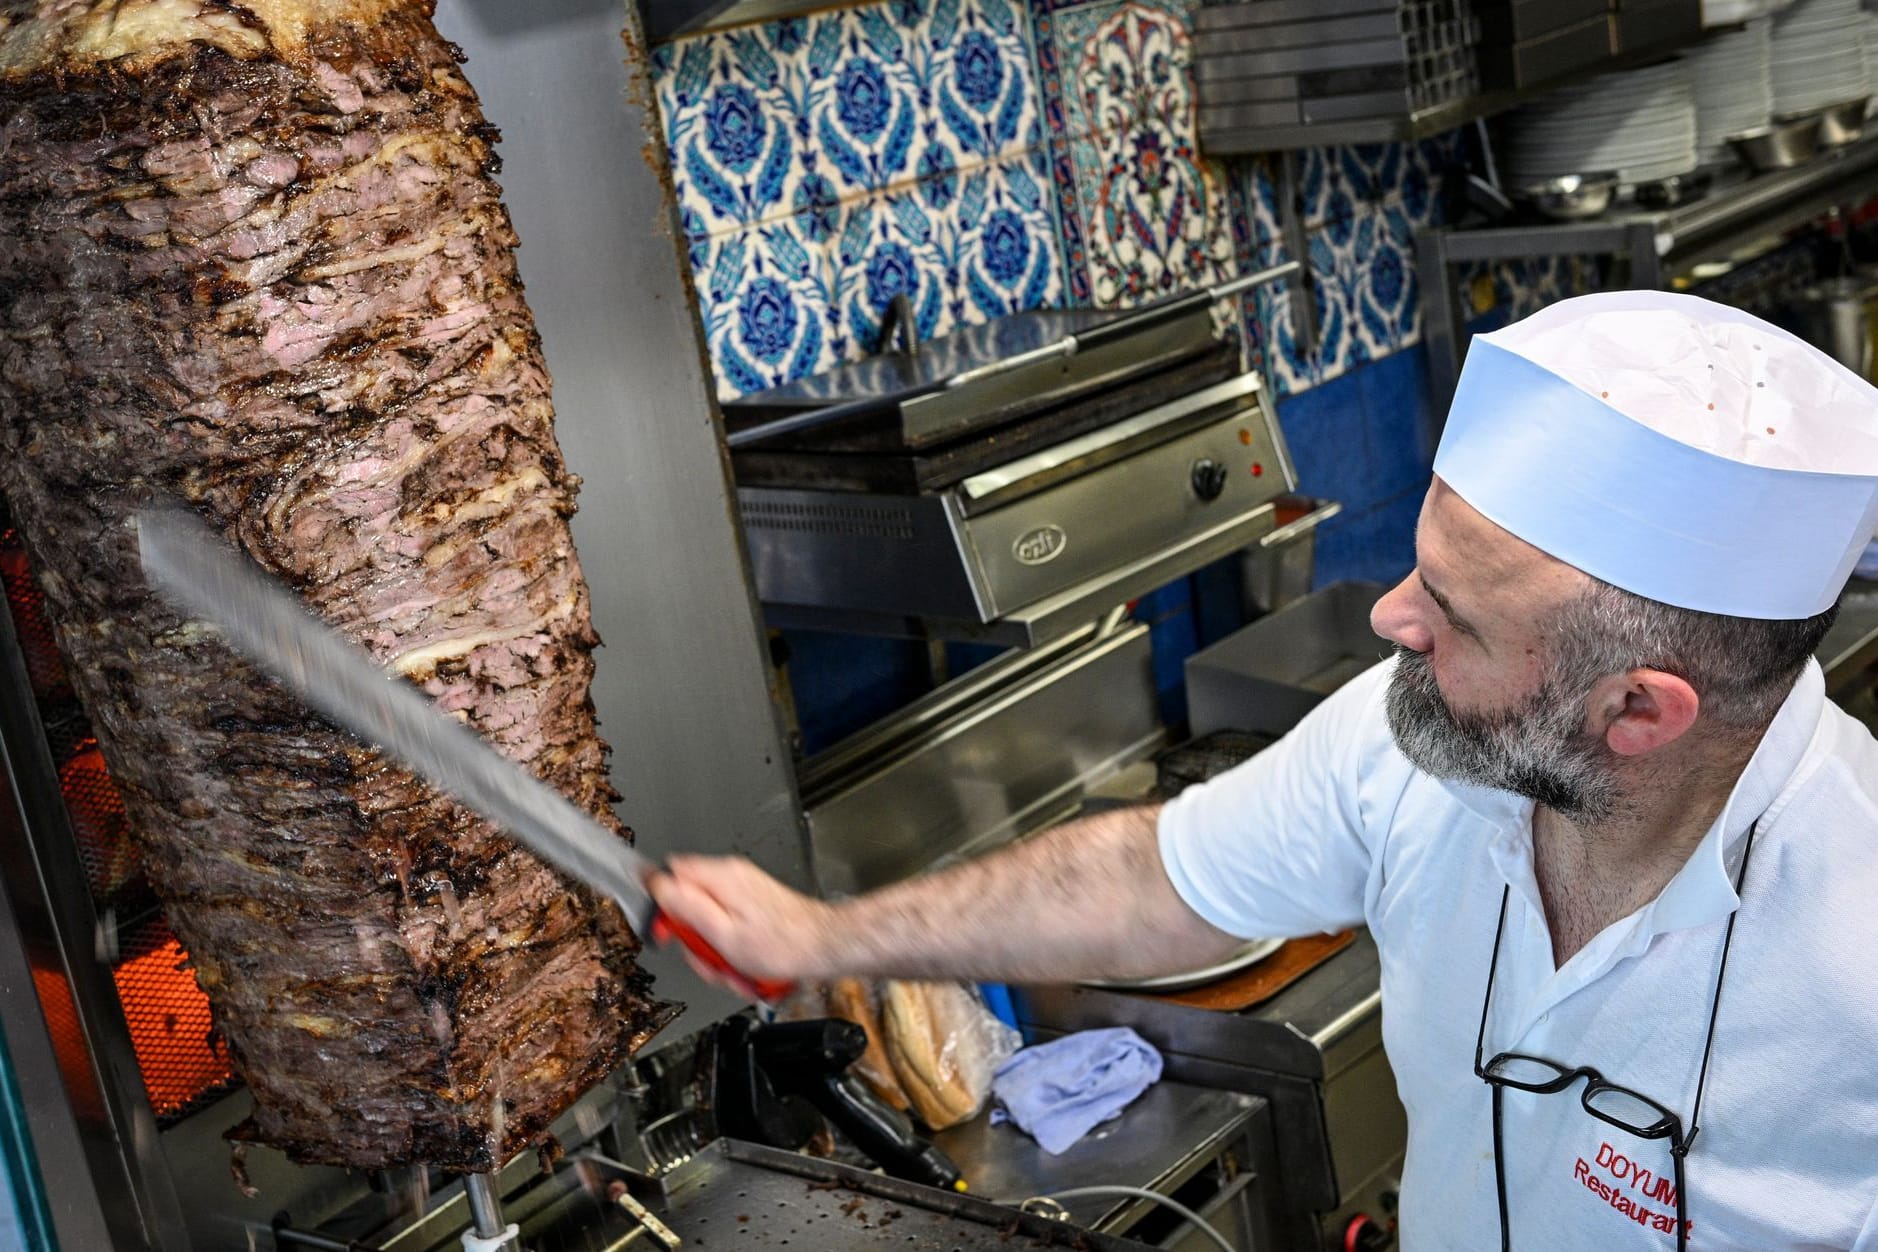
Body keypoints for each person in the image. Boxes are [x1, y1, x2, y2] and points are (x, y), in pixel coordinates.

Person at [649, 291, 1878, 1249]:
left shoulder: (1853, 955)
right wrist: (827, 935)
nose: (1393, 617)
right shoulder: (1406, 745)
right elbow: (1150, 880)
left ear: (1639, 711)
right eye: (1418, 568)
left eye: (1454, 616)